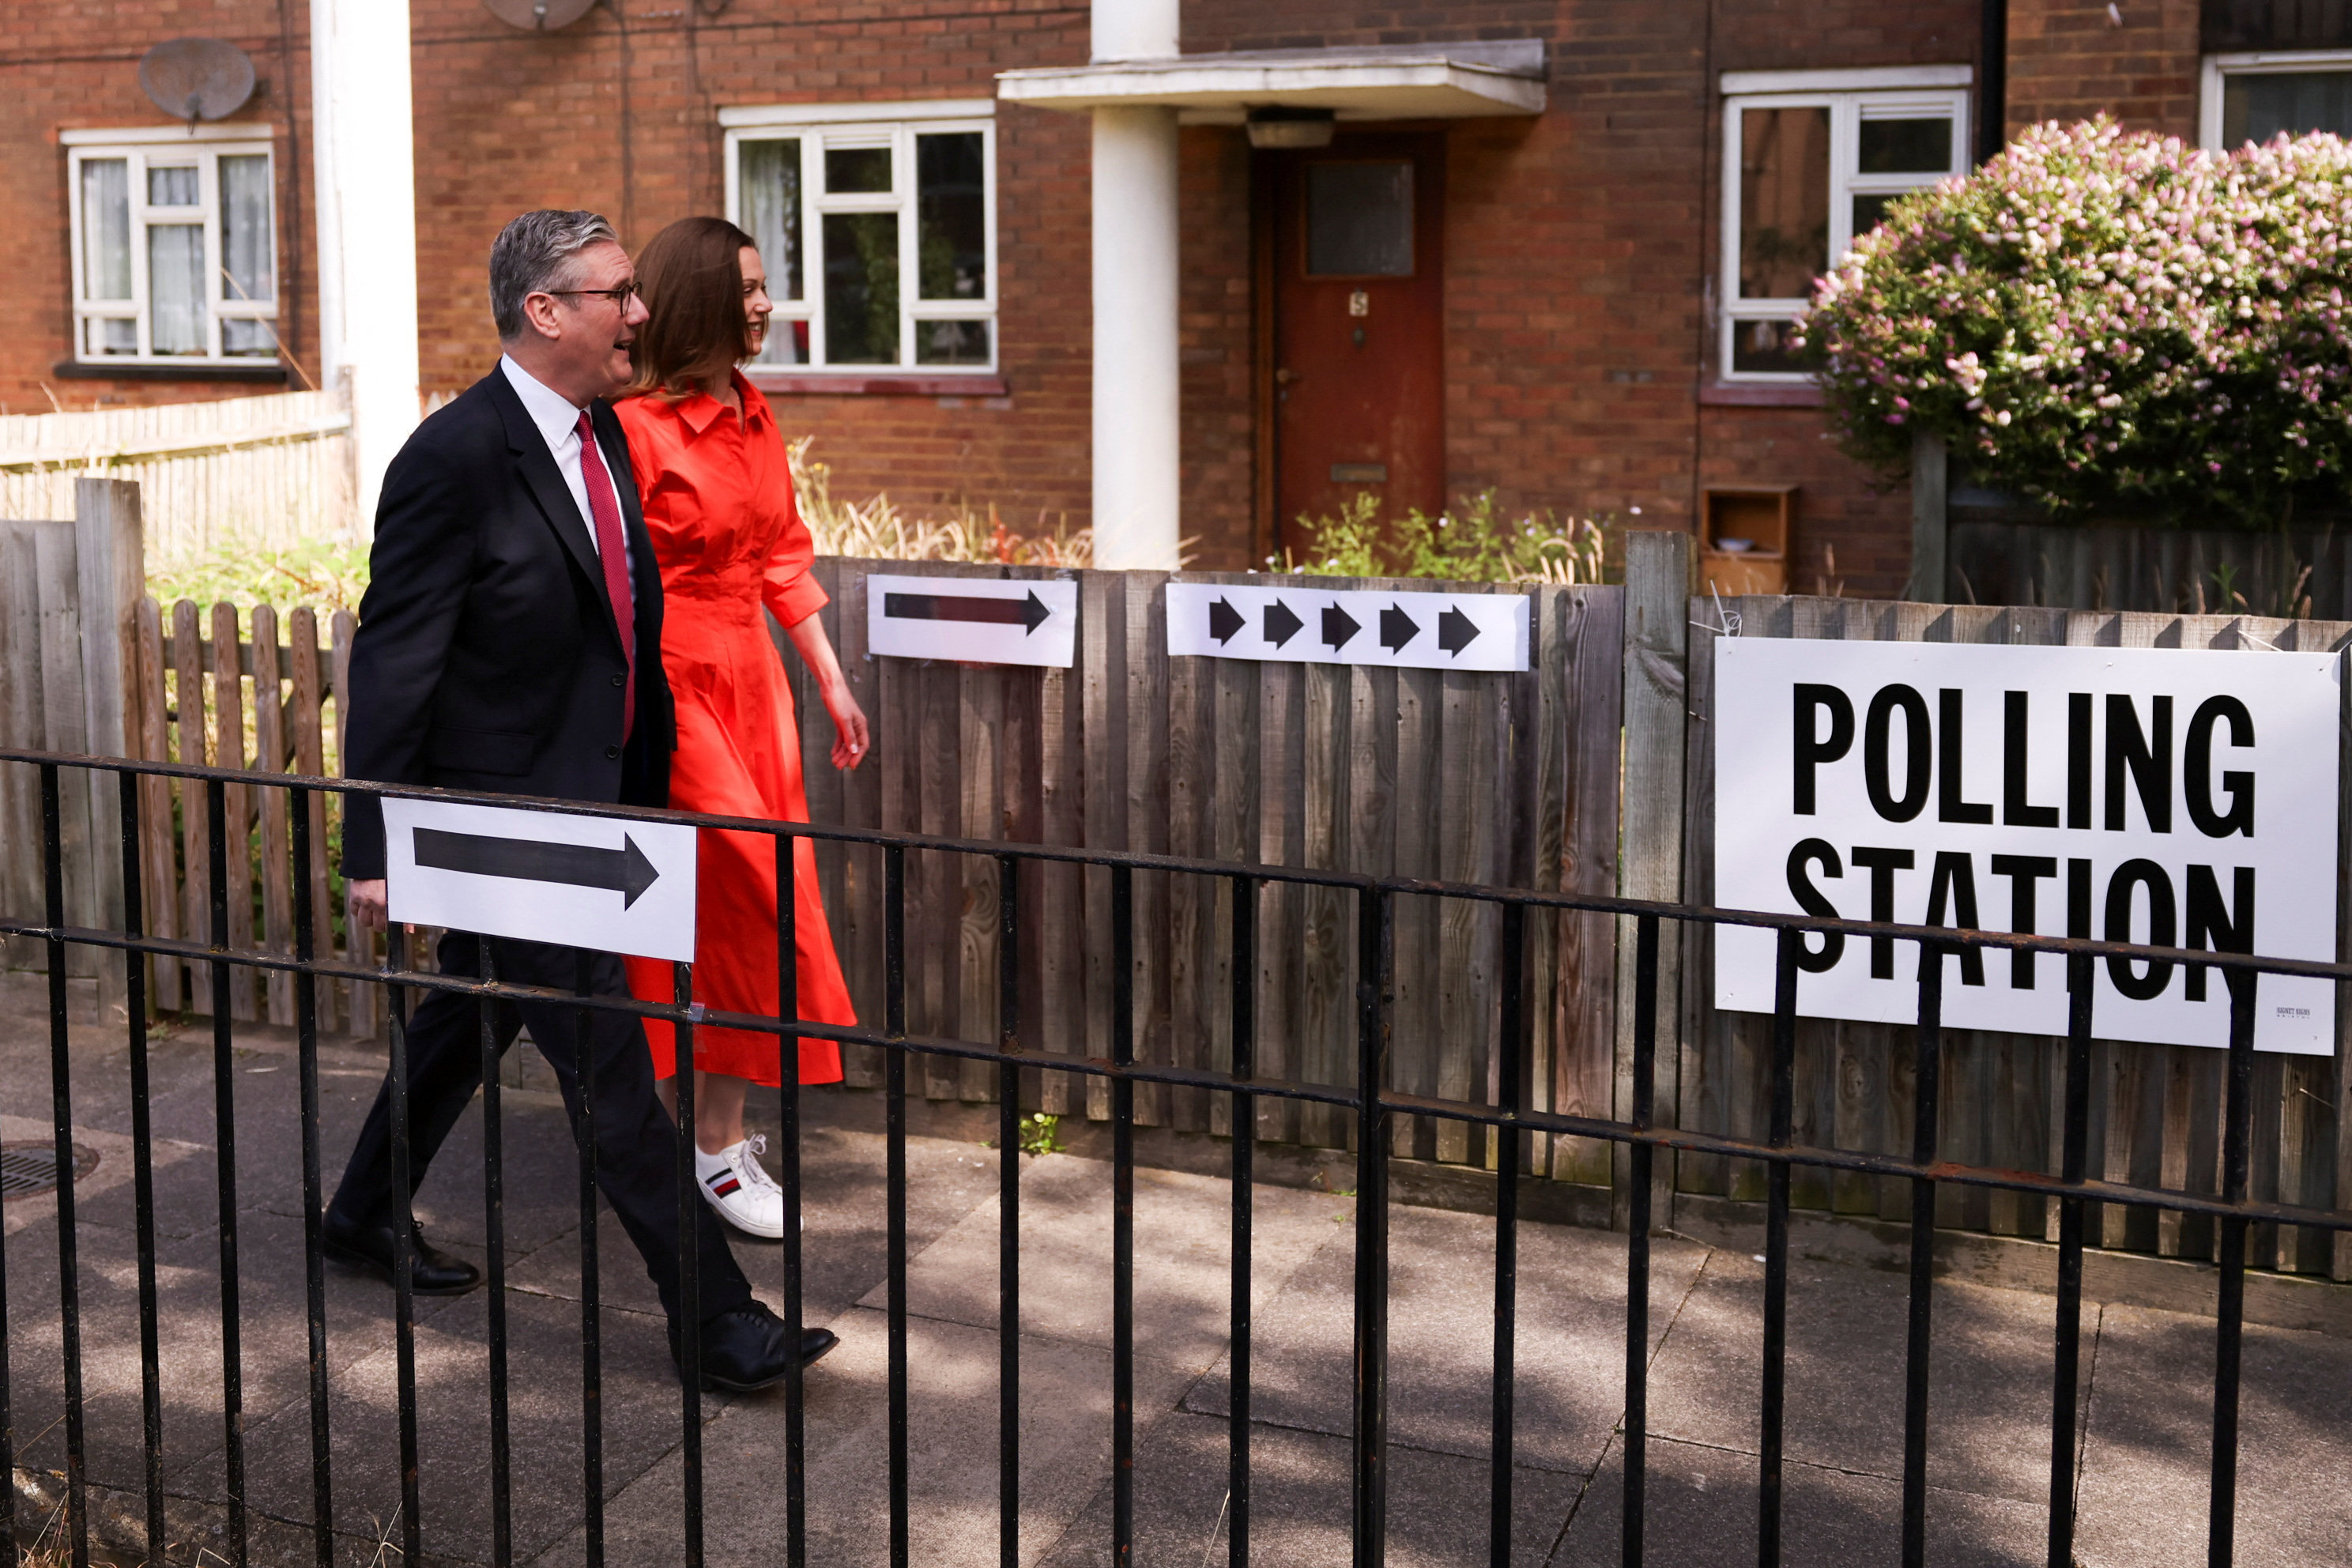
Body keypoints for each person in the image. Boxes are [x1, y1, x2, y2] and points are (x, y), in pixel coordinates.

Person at [323, 209, 834, 1391]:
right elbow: (393, 661)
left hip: (593, 804)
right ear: (545, 311)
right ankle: (718, 1320)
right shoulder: (453, 458)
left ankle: (359, 1214)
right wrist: (375, 845)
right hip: (506, 826)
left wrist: (643, 793)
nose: (641, 313)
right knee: (611, 1071)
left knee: (467, 1020)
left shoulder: (600, 432)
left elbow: (622, 635)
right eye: (617, 296)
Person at [613, 216, 867, 1238]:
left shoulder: (757, 416)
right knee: (757, 899)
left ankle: (705, 1129)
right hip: (675, 690)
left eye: (766, 288)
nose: (765, 304)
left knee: (744, 905)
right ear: (703, 298)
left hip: (757, 690)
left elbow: (783, 563)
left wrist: (834, 685)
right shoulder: (636, 430)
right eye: (751, 288)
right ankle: (713, 1148)